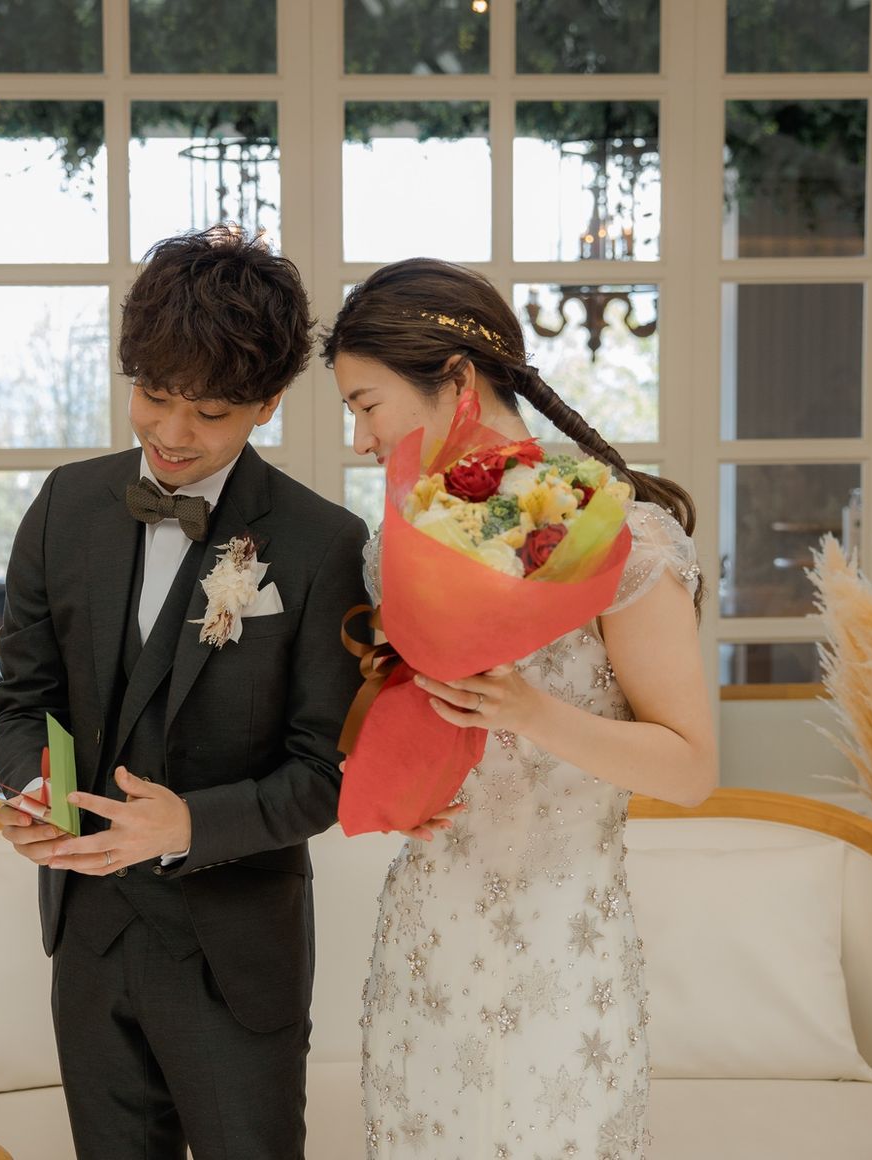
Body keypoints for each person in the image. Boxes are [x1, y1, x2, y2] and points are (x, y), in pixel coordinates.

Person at [322, 258, 716, 1159]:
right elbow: (415, 721)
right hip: (426, 946)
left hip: (564, 955)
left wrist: (531, 712)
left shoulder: (624, 537)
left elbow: (693, 769)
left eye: (367, 405)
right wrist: (406, 783)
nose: (361, 439)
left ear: (457, 379)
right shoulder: (396, 550)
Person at [0, 226, 369, 1160]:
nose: (170, 433)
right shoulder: (63, 506)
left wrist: (189, 824)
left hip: (234, 957)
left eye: (208, 412)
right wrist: (34, 792)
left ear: (268, 404)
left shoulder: (323, 544)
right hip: (89, 941)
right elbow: (24, 699)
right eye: (153, 396)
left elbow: (324, 774)